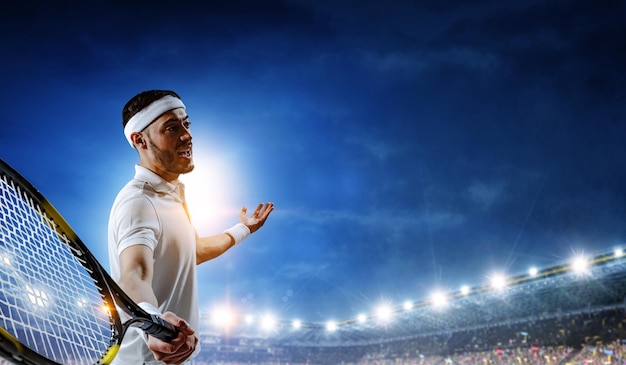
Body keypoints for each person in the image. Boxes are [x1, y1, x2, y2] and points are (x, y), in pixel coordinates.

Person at [107, 90, 274, 364]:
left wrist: (243, 229)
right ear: (140, 141)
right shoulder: (139, 201)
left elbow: (193, 250)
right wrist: (153, 322)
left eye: (186, 124)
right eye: (171, 128)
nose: (187, 135)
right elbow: (133, 273)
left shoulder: (173, 194)